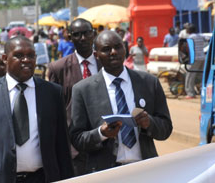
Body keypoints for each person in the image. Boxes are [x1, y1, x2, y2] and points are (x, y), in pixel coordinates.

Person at [0, 36, 73, 183]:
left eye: (31, 55)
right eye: (19, 56)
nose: (26, 60)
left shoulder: (52, 92)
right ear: (5, 59)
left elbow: (62, 147)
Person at [70, 31, 173, 173]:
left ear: (125, 49)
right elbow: (77, 139)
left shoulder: (149, 82)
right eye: (106, 49)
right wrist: (101, 133)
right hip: (105, 174)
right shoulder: (83, 90)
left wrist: (149, 122)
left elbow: (166, 128)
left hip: (145, 170)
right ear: (96, 55)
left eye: (118, 47)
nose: (113, 52)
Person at [46, 18, 99, 175]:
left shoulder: (106, 63)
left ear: (94, 34)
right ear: (69, 37)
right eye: (77, 34)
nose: (82, 38)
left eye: (86, 33)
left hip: (106, 144)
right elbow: (54, 111)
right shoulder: (58, 68)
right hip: (74, 150)